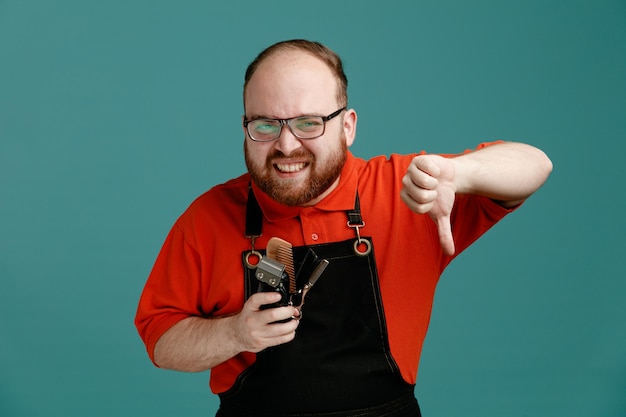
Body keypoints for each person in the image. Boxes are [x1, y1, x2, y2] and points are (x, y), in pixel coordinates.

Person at [135, 39, 552, 417]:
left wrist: (459, 173)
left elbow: (535, 164)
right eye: (265, 124)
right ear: (245, 127)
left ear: (348, 126)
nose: (286, 145)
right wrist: (234, 333)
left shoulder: (408, 189)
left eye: (308, 122)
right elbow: (161, 341)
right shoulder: (207, 217)